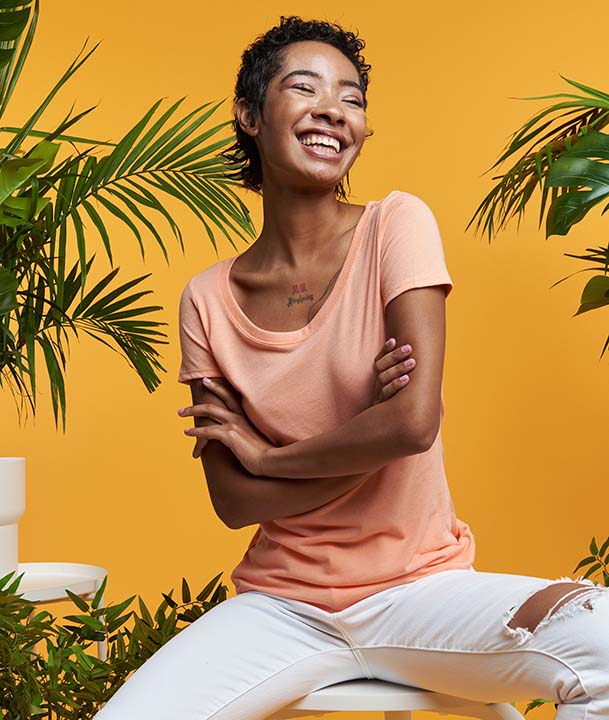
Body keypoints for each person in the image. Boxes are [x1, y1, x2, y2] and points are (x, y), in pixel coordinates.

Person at [95, 15, 609, 720]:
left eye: (352, 98)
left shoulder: (396, 225)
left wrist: (269, 459)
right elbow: (233, 502)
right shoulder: (207, 300)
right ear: (249, 114)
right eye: (303, 88)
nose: (333, 109)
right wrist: (363, 428)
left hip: (419, 594)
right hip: (279, 607)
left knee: (601, 637)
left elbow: (411, 424)